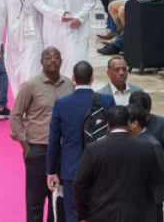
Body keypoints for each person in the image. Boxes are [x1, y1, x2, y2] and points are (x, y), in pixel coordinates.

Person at [46, 61, 113, 222]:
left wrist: (51, 171)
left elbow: (54, 140)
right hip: (100, 167)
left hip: (71, 169)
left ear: (73, 78)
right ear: (92, 78)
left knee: (73, 213)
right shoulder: (107, 100)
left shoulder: (62, 104)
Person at [11, 47, 71, 222]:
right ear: (41, 62)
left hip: (62, 150)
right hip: (38, 148)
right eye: (48, 57)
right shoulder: (31, 85)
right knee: (35, 200)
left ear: (61, 60)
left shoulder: (68, 85)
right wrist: (25, 144)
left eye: (56, 57)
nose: (52, 60)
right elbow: (15, 115)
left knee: (58, 199)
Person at [72, 105, 162, 221]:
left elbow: (79, 184)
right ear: (128, 123)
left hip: (100, 214)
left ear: (108, 124)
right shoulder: (147, 148)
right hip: (135, 214)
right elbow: (155, 181)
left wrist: (82, 215)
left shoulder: (94, 149)